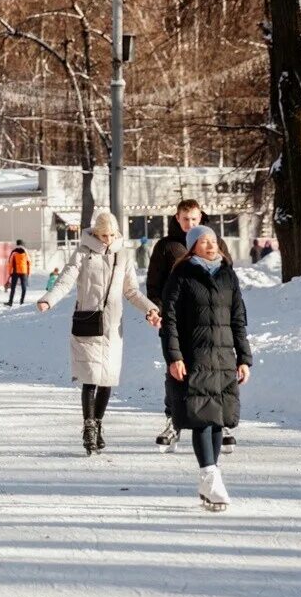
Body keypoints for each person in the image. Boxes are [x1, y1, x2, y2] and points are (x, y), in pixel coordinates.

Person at [35, 212, 160, 454]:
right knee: (91, 376)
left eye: (112, 235)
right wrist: (48, 300)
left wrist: (150, 309)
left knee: (107, 378)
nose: (108, 239)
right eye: (104, 235)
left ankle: (99, 423)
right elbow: (65, 281)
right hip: (88, 322)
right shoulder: (83, 252)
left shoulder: (123, 255)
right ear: (95, 232)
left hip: (113, 326)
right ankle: (89, 427)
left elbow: (132, 291)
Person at [160, 224, 252, 512]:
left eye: (213, 241)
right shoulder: (181, 276)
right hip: (194, 358)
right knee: (202, 416)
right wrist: (174, 357)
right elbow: (170, 321)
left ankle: (208, 479)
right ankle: (210, 476)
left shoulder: (228, 275)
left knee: (217, 418)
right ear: (191, 248)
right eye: (203, 242)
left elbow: (238, 320)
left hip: (223, 358)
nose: (211, 246)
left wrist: (244, 358)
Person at [145, 199, 236, 450]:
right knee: (177, 371)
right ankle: (173, 422)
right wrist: (155, 310)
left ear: (201, 217)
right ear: (177, 218)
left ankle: (221, 421)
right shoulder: (167, 247)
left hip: (211, 321)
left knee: (216, 369)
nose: (190, 224)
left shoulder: (215, 244)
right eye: (185, 219)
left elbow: (228, 283)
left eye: (194, 219)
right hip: (176, 320)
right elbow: (155, 286)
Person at [6, 239, 31, 306]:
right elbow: (29, 262)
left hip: (15, 271)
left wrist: (9, 272)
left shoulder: (14, 252)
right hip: (24, 271)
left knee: (13, 287)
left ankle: (10, 302)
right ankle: (22, 301)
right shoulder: (26, 252)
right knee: (24, 287)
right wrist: (29, 273)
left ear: (16, 244)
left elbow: (10, 263)